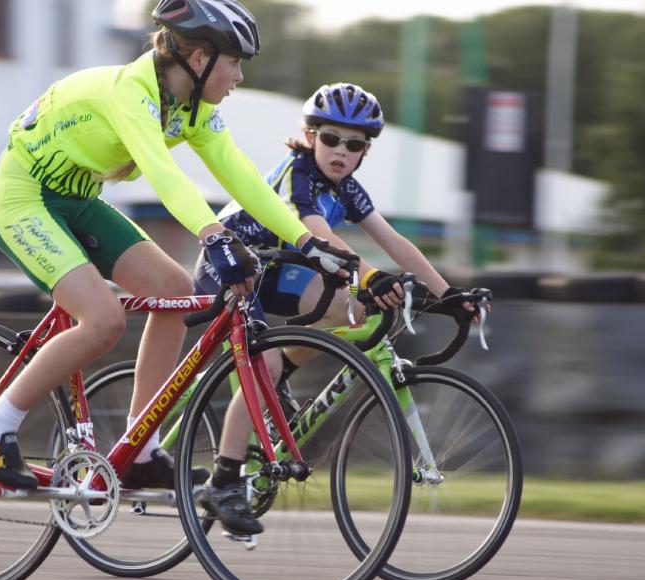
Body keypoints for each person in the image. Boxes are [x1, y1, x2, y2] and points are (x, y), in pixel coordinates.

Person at [0, 0, 356, 502]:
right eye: (234, 62)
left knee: (176, 292)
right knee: (104, 320)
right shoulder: (133, 92)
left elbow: (239, 175)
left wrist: (311, 245)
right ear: (199, 59)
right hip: (23, 198)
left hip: (78, 199)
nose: (239, 75)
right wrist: (214, 236)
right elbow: (164, 175)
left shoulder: (195, 107)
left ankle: (141, 449)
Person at [194, 82, 484, 535]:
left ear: (364, 151)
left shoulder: (347, 188)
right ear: (310, 136)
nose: (340, 151)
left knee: (354, 311)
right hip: (231, 266)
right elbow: (316, 232)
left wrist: (449, 294)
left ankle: (282, 378)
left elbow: (395, 242)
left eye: (354, 144)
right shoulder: (299, 173)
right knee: (262, 366)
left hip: (276, 269)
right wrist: (370, 276)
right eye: (330, 139)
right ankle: (224, 481)